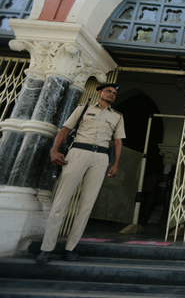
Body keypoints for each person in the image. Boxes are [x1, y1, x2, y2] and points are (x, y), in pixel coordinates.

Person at [36, 83, 125, 264]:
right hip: (78, 152)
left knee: (86, 205)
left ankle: (71, 248)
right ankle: (47, 249)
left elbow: (117, 142)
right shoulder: (82, 109)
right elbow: (65, 130)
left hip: (100, 156)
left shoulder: (117, 117)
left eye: (114, 93)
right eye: (109, 91)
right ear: (99, 92)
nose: (112, 94)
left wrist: (115, 164)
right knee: (61, 201)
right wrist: (55, 150)